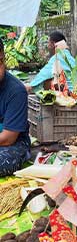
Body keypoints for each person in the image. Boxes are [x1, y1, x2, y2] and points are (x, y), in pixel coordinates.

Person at [0, 46, 32, 175]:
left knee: (4, 161)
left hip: (12, 143)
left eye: (0, 61)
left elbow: (8, 138)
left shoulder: (16, 91)